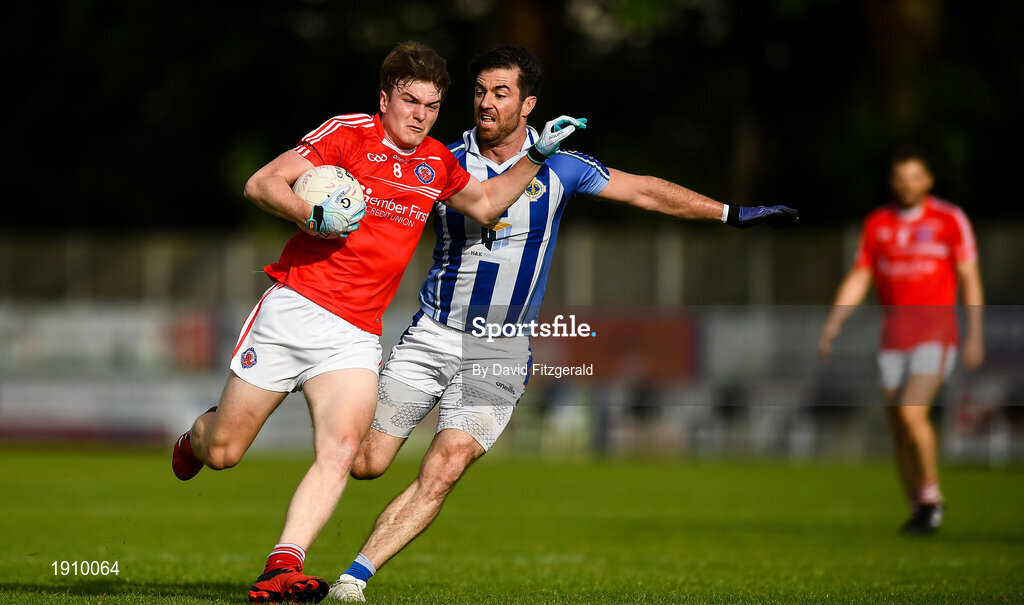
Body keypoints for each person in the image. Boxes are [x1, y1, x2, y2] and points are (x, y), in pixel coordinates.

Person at [328, 45, 799, 602]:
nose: (486, 102)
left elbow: (645, 190)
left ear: (529, 104)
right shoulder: (440, 160)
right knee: (366, 463)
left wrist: (728, 213)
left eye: (501, 93)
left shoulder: (562, 165)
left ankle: (354, 578)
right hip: (432, 333)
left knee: (448, 461)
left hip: (501, 345)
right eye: (480, 91)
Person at [169, 41, 585, 605]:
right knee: (225, 452)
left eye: (433, 106)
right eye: (410, 101)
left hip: (356, 334)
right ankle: (196, 440)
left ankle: (280, 570)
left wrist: (536, 155)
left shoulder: (437, 161)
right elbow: (262, 184)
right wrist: (311, 214)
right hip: (294, 309)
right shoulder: (348, 133)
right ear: (385, 98)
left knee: (343, 450)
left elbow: (487, 206)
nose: (420, 115)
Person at [819, 147, 985, 534]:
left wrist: (976, 332)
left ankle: (932, 497)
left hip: (937, 332)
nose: (908, 184)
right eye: (900, 177)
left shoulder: (949, 219)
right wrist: (834, 320)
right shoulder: (878, 223)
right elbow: (861, 275)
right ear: (892, 181)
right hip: (894, 338)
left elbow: (970, 277)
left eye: (915, 176)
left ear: (928, 180)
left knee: (912, 414)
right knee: (898, 427)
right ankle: (919, 509)